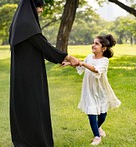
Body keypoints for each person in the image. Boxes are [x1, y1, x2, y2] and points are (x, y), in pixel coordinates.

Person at [9, 0, 79, 146]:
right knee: (35, 107)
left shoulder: (19, 24)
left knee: (26, 107)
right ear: (31, 7)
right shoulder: (27, 25)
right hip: (30, 76)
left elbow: (40, 48)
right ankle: (36, 141)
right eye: (39, 6)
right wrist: (68, 57)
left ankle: (26, 140)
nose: (41, 10)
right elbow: (44, 46)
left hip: (22, 74)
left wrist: (61, 59)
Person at [63, 34, 121, 145]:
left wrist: (83, 63)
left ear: (103, 48)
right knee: (92, 113)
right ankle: (97, 136)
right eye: (93, 43)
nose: (93, 45)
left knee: (103, 114)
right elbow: (80, 66)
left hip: (101, 90)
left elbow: (95, 70)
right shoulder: (89, 57)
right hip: (89, 89)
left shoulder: (105, 60)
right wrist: (70, 63)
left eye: (96, 44)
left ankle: (98, 127)